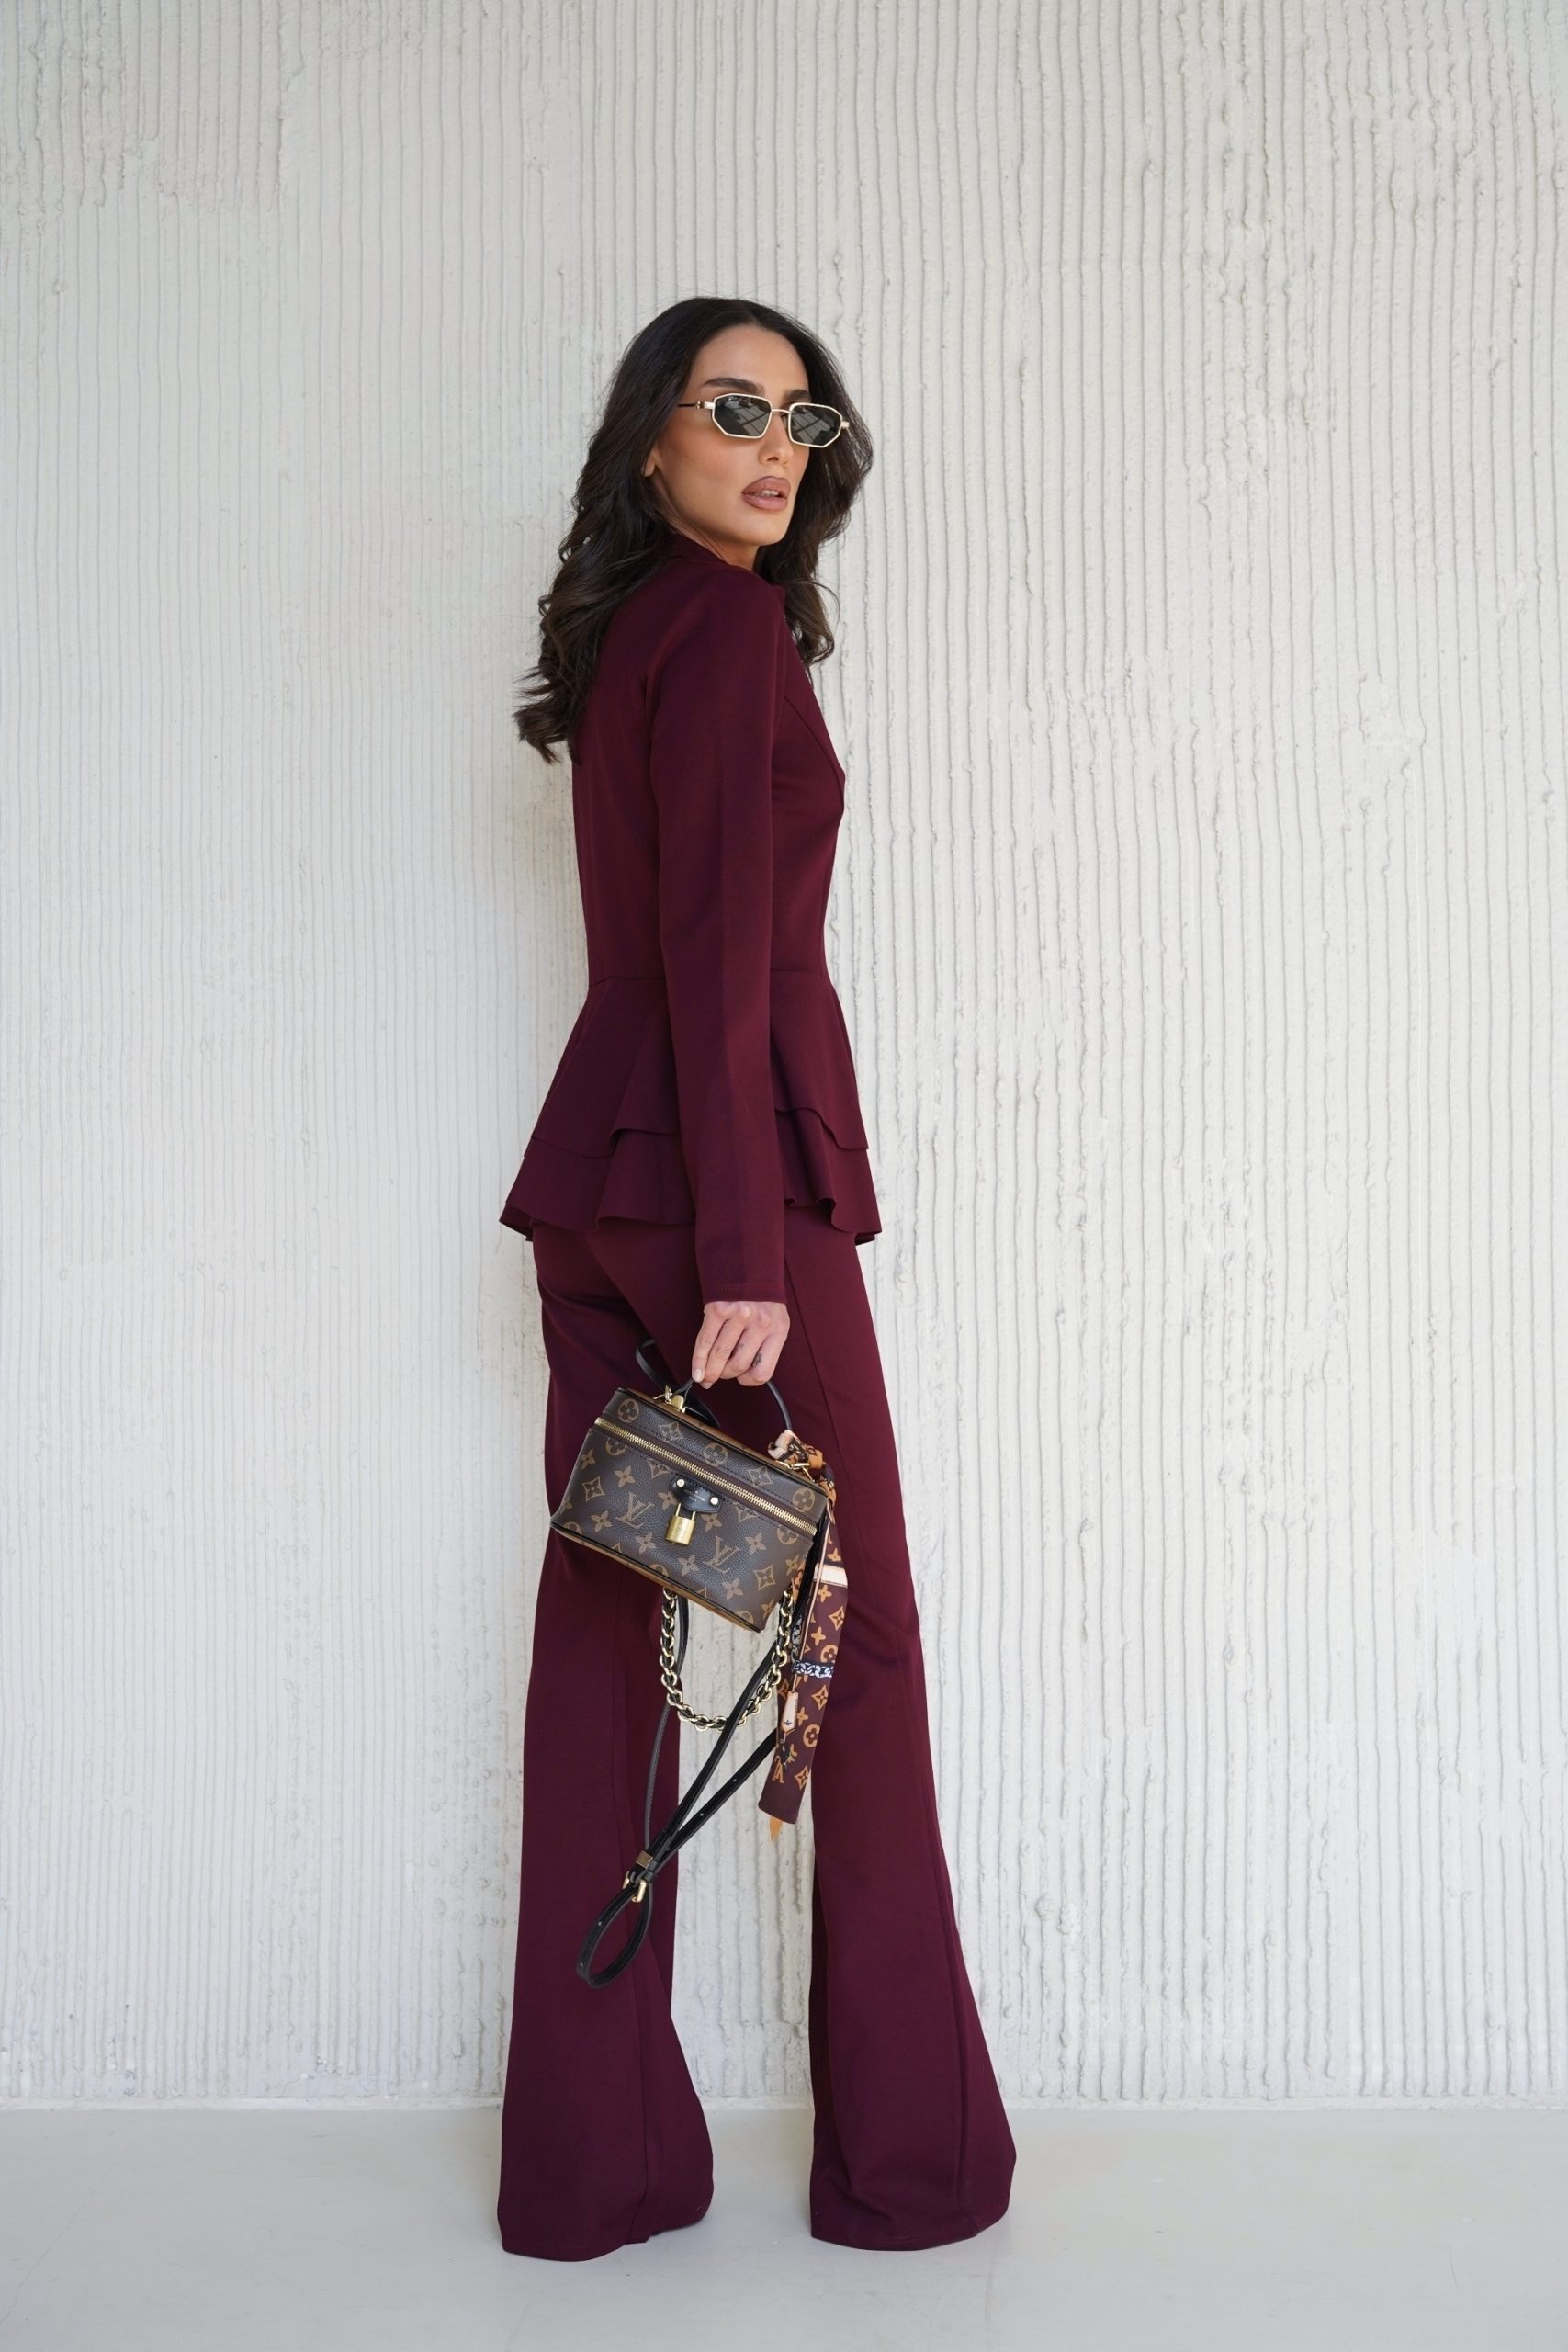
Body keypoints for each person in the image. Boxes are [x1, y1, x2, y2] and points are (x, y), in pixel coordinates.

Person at [494, 295, 1015, 2260]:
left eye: (805, 418)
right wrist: (743, 1249)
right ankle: (911, 2166)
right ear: (652, 439)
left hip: (606, 1173)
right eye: (734, 409)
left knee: (606, 1640)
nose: (777, 446)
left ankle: (591, 2168)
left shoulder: (643, 627)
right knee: (849, 1645)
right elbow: (720, 946)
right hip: (728, 1199)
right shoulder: (714, 629)